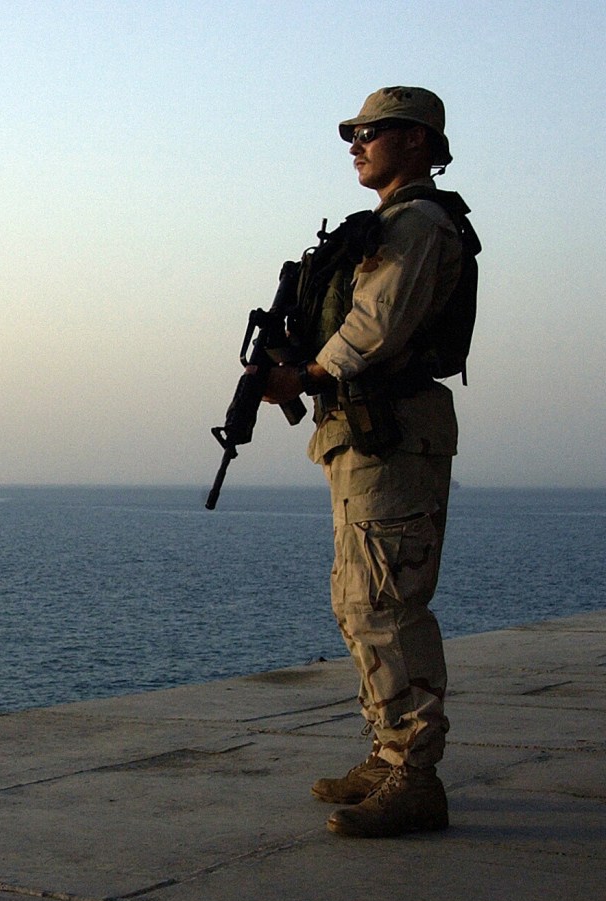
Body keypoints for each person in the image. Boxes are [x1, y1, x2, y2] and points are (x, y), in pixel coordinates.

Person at [260, 86, 475, 838]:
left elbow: (373, 331)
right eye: (351, 132)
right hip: (366, 434)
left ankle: (416, 778)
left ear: (417, 140)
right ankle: (390, 756)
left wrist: (304, 377)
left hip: (392, 432)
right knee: (359, 603)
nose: (356, 143)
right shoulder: (390, 223)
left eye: (370, 131)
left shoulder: (417, 224)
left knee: (386, 605)